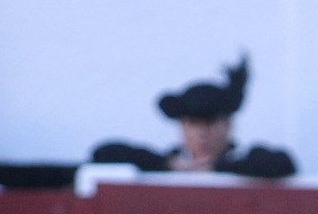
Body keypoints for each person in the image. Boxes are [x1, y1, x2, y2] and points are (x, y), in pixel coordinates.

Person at [92, 57, 296, 179]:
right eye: (193, 123)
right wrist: (170, 165)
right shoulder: (168, 162)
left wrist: (217, 168)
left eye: (209, 123)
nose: (201, 133)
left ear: (228, 125)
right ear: (181, 126)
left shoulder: (247, 159)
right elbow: (103, 154)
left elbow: (283, 164)